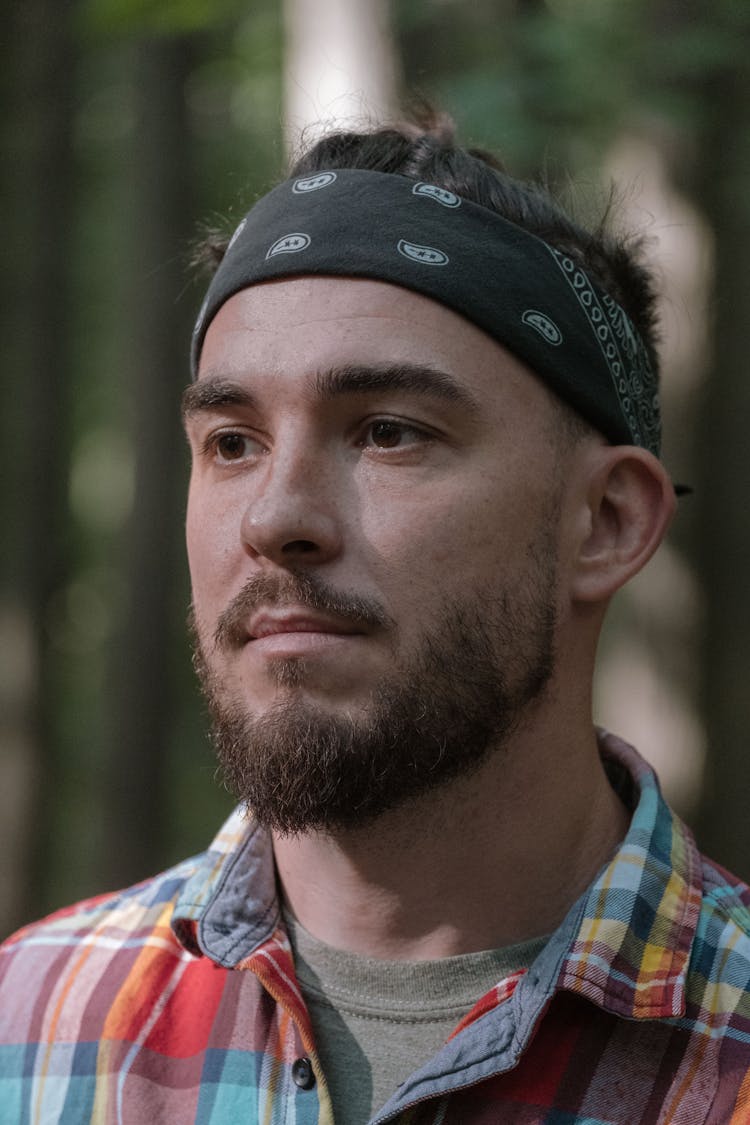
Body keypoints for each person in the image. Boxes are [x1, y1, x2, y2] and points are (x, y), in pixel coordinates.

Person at [1, 114, 749, 1125]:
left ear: (605, 523)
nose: (275, 519)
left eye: (388, 432)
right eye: (231, 442)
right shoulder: (31, 1024)